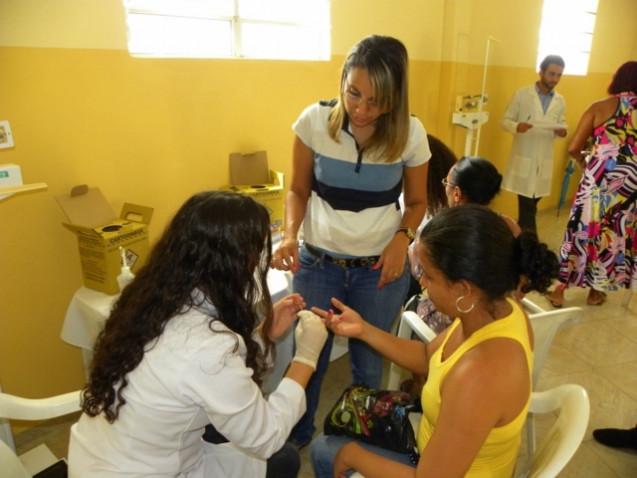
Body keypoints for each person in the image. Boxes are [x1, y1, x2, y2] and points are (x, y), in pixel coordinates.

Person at [68, 191, 329, 478]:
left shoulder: (151, 300)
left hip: (103, 455)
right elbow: (266, 437)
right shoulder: (206, 346)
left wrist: (264, 336)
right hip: (142, 470)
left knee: (276, 458)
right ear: (232, 264)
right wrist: (306, 357)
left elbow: (200, 374)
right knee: (282, 458)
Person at [310, 205, 560, 478]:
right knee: (340, 425)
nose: (423, 285)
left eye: (428, 275)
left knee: (325, 450)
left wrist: (353, 456)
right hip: (433, 442)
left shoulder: (481, 375)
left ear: (464, 289)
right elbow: (428, 356)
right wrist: (363, 330)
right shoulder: (496, 309)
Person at [271, 35, 431, 449]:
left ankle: (358, 443)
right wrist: (290, 235)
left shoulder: (410, 134)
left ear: (395, 99)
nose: (361, 110)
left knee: (368, 363)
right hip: (319, 264)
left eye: (375, 101)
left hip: (378, 270)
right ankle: (299, 438)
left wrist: (402, 239)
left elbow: (416, 202)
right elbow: (298, 190)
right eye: (353, 93)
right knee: (308, 356)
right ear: (342, 80)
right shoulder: (313, 122)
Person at [546, 61, 637, 308]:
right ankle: (595, 292)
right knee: (612, 235)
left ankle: (559, 291)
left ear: (617, 79)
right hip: (629, 189)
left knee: (582, 231)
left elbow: (575, 147)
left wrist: (587, 161)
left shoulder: (600, 107)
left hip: (597, 184)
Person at [501, 54, 568, 234]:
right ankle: (531, 243)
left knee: (531, 204)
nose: (555, 79)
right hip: (524, 156)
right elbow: (505, 120)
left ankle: (518, 234)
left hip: (543, 160)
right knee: (528, 207)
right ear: (541, 72)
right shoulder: (523, 95)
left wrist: (561, 132)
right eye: (551, 74)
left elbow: (562, 123)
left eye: (559, 75)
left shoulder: (560, 101)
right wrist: (517, 126)